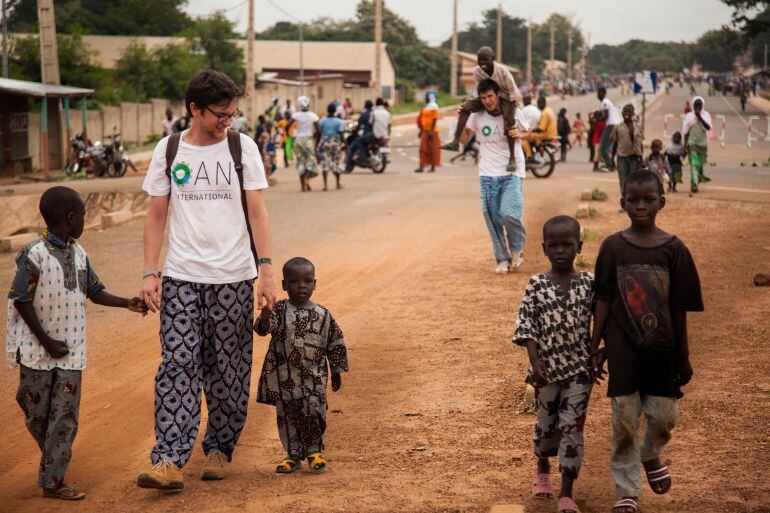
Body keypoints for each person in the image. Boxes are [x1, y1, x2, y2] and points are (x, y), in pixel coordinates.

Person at [138, 70, 276, 491]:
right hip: (181, 275)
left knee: (228, 369)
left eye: (233, 113)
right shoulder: (169, 150)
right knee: (178, 363)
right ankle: (169, 459)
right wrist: (150, 271)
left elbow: (257, 211)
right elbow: (156, 214)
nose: (227, 121)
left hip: (234, 276)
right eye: (220, 113)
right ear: (194, 109)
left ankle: (219, 445)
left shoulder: (241, 147)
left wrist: (266, 269)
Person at [7, 186, 147, 501]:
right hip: (35, 352)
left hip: (71, 353)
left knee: (65, 415)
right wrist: (46, 341)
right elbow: (21, 300)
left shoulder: (79, 253)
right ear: (72, 218)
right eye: (83, 215)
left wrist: (128, 303)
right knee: (34, 410)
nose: (84, 219)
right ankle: (54, 456)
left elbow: (94, 290)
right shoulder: (34, 255)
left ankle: (53, 480)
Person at [591, 169, 703, 513]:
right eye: (633, 199)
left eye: (648, 200)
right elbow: (604, 298)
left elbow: (680, 308)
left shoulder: (674, 250)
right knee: (623, 421)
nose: (641, 206)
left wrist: (682, 357)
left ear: (662, 203)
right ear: (622, 202)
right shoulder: (612, 247)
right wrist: (594, 345)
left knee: (665, 416)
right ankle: (627, 490)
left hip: (662, 351)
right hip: (623, 349)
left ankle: (651, 454)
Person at [513, 215, 594, 513]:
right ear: (544, 248)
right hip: (545, 372)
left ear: (579, 246)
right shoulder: (535, 285)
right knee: (547, 426)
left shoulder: (589, 283)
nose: (561, 250)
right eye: (554, 245)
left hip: (579, 371)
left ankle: (567, 492)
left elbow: (602, 320)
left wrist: (598, 353)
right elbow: (526, 326)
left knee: (571, 427)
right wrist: (535, 362)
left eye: (567, 244)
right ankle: (543, 466)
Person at [255, 257, 348, 475]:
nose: (301, 286)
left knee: (314, 412)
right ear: (285, 285)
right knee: (287, 416)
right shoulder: (277, 309)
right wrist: (266, 316)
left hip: (314, 378)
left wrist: (336, 371)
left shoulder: (324, 315)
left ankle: (314, 451)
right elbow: (262, 329)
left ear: (315, 283)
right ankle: (293, 455)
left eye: (307, 281)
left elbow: (335, 342)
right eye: (295, 282)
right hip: (284, 379)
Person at [465, 79, 531, 273]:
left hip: (511, 171)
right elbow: (464, 139)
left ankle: (517, 249)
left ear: (498, 95)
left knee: (509, 213)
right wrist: (462, 116)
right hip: (487, 174)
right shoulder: (477, 116)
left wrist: (519, 134)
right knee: (492, 217)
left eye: (490, 96)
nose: (487, 101)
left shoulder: (512, 111)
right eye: (483, 97)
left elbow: (528, 132)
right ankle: (502, 258)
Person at [442, 46, 522, 172]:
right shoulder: (477, 72)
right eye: (480, 60)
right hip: (489, 96)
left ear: (493, 59)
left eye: (486, 60)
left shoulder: (502, 71)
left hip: (508, 97)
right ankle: (455, 141)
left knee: (509, 121)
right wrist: (476, 103)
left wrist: (510, 111)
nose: (483, 63)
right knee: (465, 107)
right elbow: (481, 90)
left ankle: (512, 158)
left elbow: (512, 92)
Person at [610, 104, 644, 198]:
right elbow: (615, 144)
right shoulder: (618, 127)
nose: (627, 114)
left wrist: (640, 159)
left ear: (633, 114)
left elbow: (640, 145)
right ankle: (625, 202)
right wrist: (612, 159)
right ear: (622, 113)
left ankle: (634, 200)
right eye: (625, 111)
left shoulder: (638, 128)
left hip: (634, 157)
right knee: (623, 181)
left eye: (629, 112)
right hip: (621, 158)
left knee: (634, 180)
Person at [682, 96, 713, 193]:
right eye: (696, 105)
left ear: (702, 106)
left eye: (700, 105)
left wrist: (699, 117)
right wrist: (685, 145)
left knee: (700, 164)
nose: (698, 107)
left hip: (702, 144)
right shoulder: (689, 116)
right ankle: (694, 184)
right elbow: (686, 132)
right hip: (692, 143)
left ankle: (698, 178)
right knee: (694, 164)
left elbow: (708, 128)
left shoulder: (706, 115)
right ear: (693, 105)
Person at [292, 96, 320, 192]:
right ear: (308, 104)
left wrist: (290, 137)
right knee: (311, 161)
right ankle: (307, 179)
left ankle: (303, 186)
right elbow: (319, 130)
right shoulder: (313, 115)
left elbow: (287, 126)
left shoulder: (296, 115)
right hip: (308, 140)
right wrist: (316, 141)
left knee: (301, 162)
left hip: (298, 140)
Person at [317, 102, 346, 190]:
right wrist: (346, 146)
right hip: (335, 143)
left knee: (325, 164)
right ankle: (337, 183)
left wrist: (316, 145)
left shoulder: (322, 121)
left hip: (325, 143)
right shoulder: (339, 121)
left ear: (327, 110)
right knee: (336, 163)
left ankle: (325, 185)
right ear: (335, 111)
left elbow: (319, 133)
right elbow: (341, 135)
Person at [345, 100, 374, 172]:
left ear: (365, 106)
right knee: (359, 141)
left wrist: (354, 130)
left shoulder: (365, 114)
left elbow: (359, 125)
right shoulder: (373, 113)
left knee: (353, 145)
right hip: (374, 135)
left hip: (367, 135)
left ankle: (362, 157)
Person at [415, 92, 441, 173]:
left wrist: (431, 131)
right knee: (423, 148)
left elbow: (435, 119)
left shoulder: (434, 107)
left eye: (427, 96)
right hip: (424, 130)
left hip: (432, 132)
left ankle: (432, 167)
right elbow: (423, 119)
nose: (426, 98)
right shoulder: (425, 106)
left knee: (433, 149)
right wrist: (421, 130)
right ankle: (421, 166)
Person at [598, 86, 622, 169]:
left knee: (603, 148)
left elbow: (606, 116)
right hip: (614, 125)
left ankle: (609, 164)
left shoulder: (605, 102)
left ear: (603, 94)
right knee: (608, 147)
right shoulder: (606, 102)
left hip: (611, 126)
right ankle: (611, 163)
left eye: (599, 93)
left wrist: (596, 119)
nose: (598, 95)